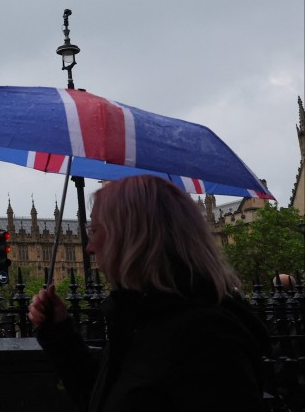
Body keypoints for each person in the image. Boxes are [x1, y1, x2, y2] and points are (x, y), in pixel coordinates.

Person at [28, 174, 269, 412]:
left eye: (95, 231)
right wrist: (58, 334)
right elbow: (106, 399)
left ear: (131, 237)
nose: (89, 247)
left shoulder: (207, 338)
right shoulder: (142, 316)